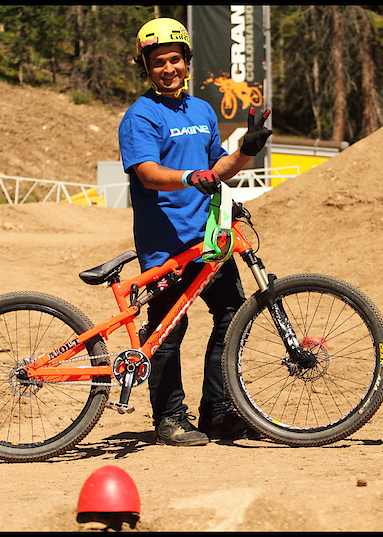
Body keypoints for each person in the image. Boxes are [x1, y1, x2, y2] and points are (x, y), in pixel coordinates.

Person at [118, 18, 272, 446]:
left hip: (209, 239)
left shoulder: (202, 110)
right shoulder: (140, 116)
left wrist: (246, 150)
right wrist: (190, 177)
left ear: (187, 62)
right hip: (165, 244)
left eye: (174, 60)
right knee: (169, 329)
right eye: (157, 62)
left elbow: (216, 170)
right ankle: (168, 418)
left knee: (232, 316)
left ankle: (217, 412)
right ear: (146, 67)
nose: (167, 68)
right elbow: (148, 174)